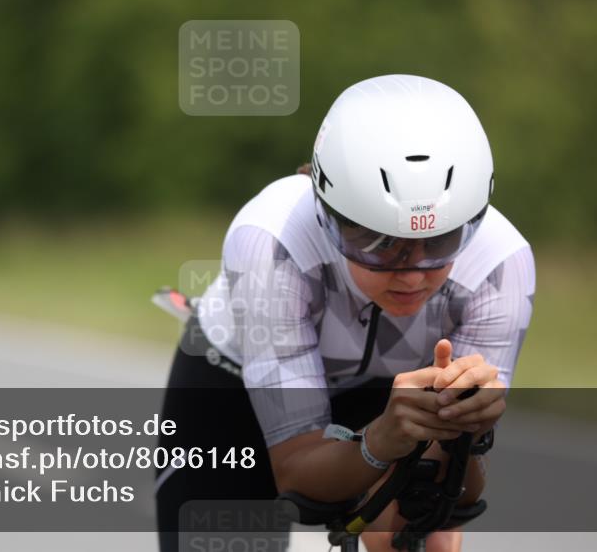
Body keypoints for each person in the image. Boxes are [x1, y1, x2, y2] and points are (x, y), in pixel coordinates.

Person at [155, 75, 535, 552]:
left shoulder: (500, 264)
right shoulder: (271, 243)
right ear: (326, 212)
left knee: (426, 534)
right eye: (378, 242)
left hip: (391, 390)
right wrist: (378, 443)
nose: (411, 275)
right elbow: (298, 474)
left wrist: (467, 436)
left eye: (441, 242)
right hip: (234, 390)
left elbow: (455, 497)